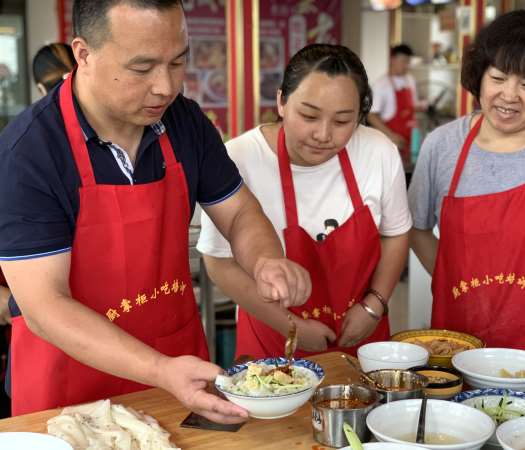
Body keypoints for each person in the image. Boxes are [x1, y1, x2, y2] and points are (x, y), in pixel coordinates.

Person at [0, 0, 311, 419]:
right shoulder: (30, 152)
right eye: (142, 68)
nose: (166, 87)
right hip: (70, 389)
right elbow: (45, 307)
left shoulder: (185, 123)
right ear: (84, 53)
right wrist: (160, 370)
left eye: (178, 62)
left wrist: (266, 260)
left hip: (178, 372)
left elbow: (238, 213)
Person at [408, 10, 525, 390]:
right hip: (456, 339)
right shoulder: (442, 146)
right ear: (479, 75)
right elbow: (416, 230)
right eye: (497, 78)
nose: (508, 95)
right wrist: (457, 284)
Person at [198, 44, 412, 359]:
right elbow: (219, 263)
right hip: (273, 341)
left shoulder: (378, 151)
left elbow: (395, 232)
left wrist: (374, 304)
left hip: (362, 337)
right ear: (282, 101)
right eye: (309, 115)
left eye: (342, 121)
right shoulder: (240, 157)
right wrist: (290, 326)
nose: (323, 134)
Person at [368, 44, 428, 168]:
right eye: (404, 61)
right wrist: (391, 136)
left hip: (411, 141)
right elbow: (371, 116)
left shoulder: (410, 80)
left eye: (408, 62)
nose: (407, 66)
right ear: (393, 59)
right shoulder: (381, 85)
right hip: (391, 143)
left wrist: (421, 106)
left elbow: (411, 106)